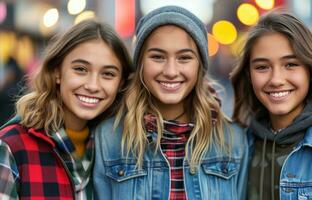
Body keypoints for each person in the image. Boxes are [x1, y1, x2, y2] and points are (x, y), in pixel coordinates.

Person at [93, 5, 248, 200]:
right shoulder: (108, 137)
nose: (171, 71)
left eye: (184, 58)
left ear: (199, 65)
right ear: (140, 64)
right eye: (157, 57)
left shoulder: (233, 139)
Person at [230, 11, 312, 200]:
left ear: (311, 71)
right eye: (262, 67)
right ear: (249, 75)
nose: (276, 80)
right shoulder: (238, 147)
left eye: (290, 64)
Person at [0, 19, 133, 199]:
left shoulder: (116, 151)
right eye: (80, 69)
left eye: (108, 74)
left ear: (121, 83)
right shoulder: (11, 147)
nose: (93, 85)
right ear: (57, 72)